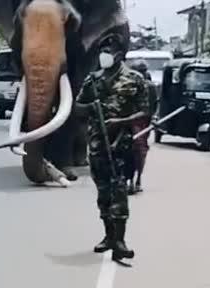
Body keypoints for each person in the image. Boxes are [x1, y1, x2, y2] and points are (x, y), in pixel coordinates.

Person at [75, 35, 150, 261]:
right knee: (103, 193)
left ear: (119, 54)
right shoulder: (93, 80)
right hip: (97, 143)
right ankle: (108, 236)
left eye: (109, 50)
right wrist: (90, 108)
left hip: (121, 144)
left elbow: (145, 112)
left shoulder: (134, 79)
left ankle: (120, 241)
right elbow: (77, 107)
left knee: (119, 190)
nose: (104, 55)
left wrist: (121, 122)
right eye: (102, 50)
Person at [127, 60, 158, 194]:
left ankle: (137, 179)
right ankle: (126, 179)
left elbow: (155, 106)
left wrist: (155, 118)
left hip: (142, 124)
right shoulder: (125, 86)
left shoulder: (150, 87)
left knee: (140, 151)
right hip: (126, 122)